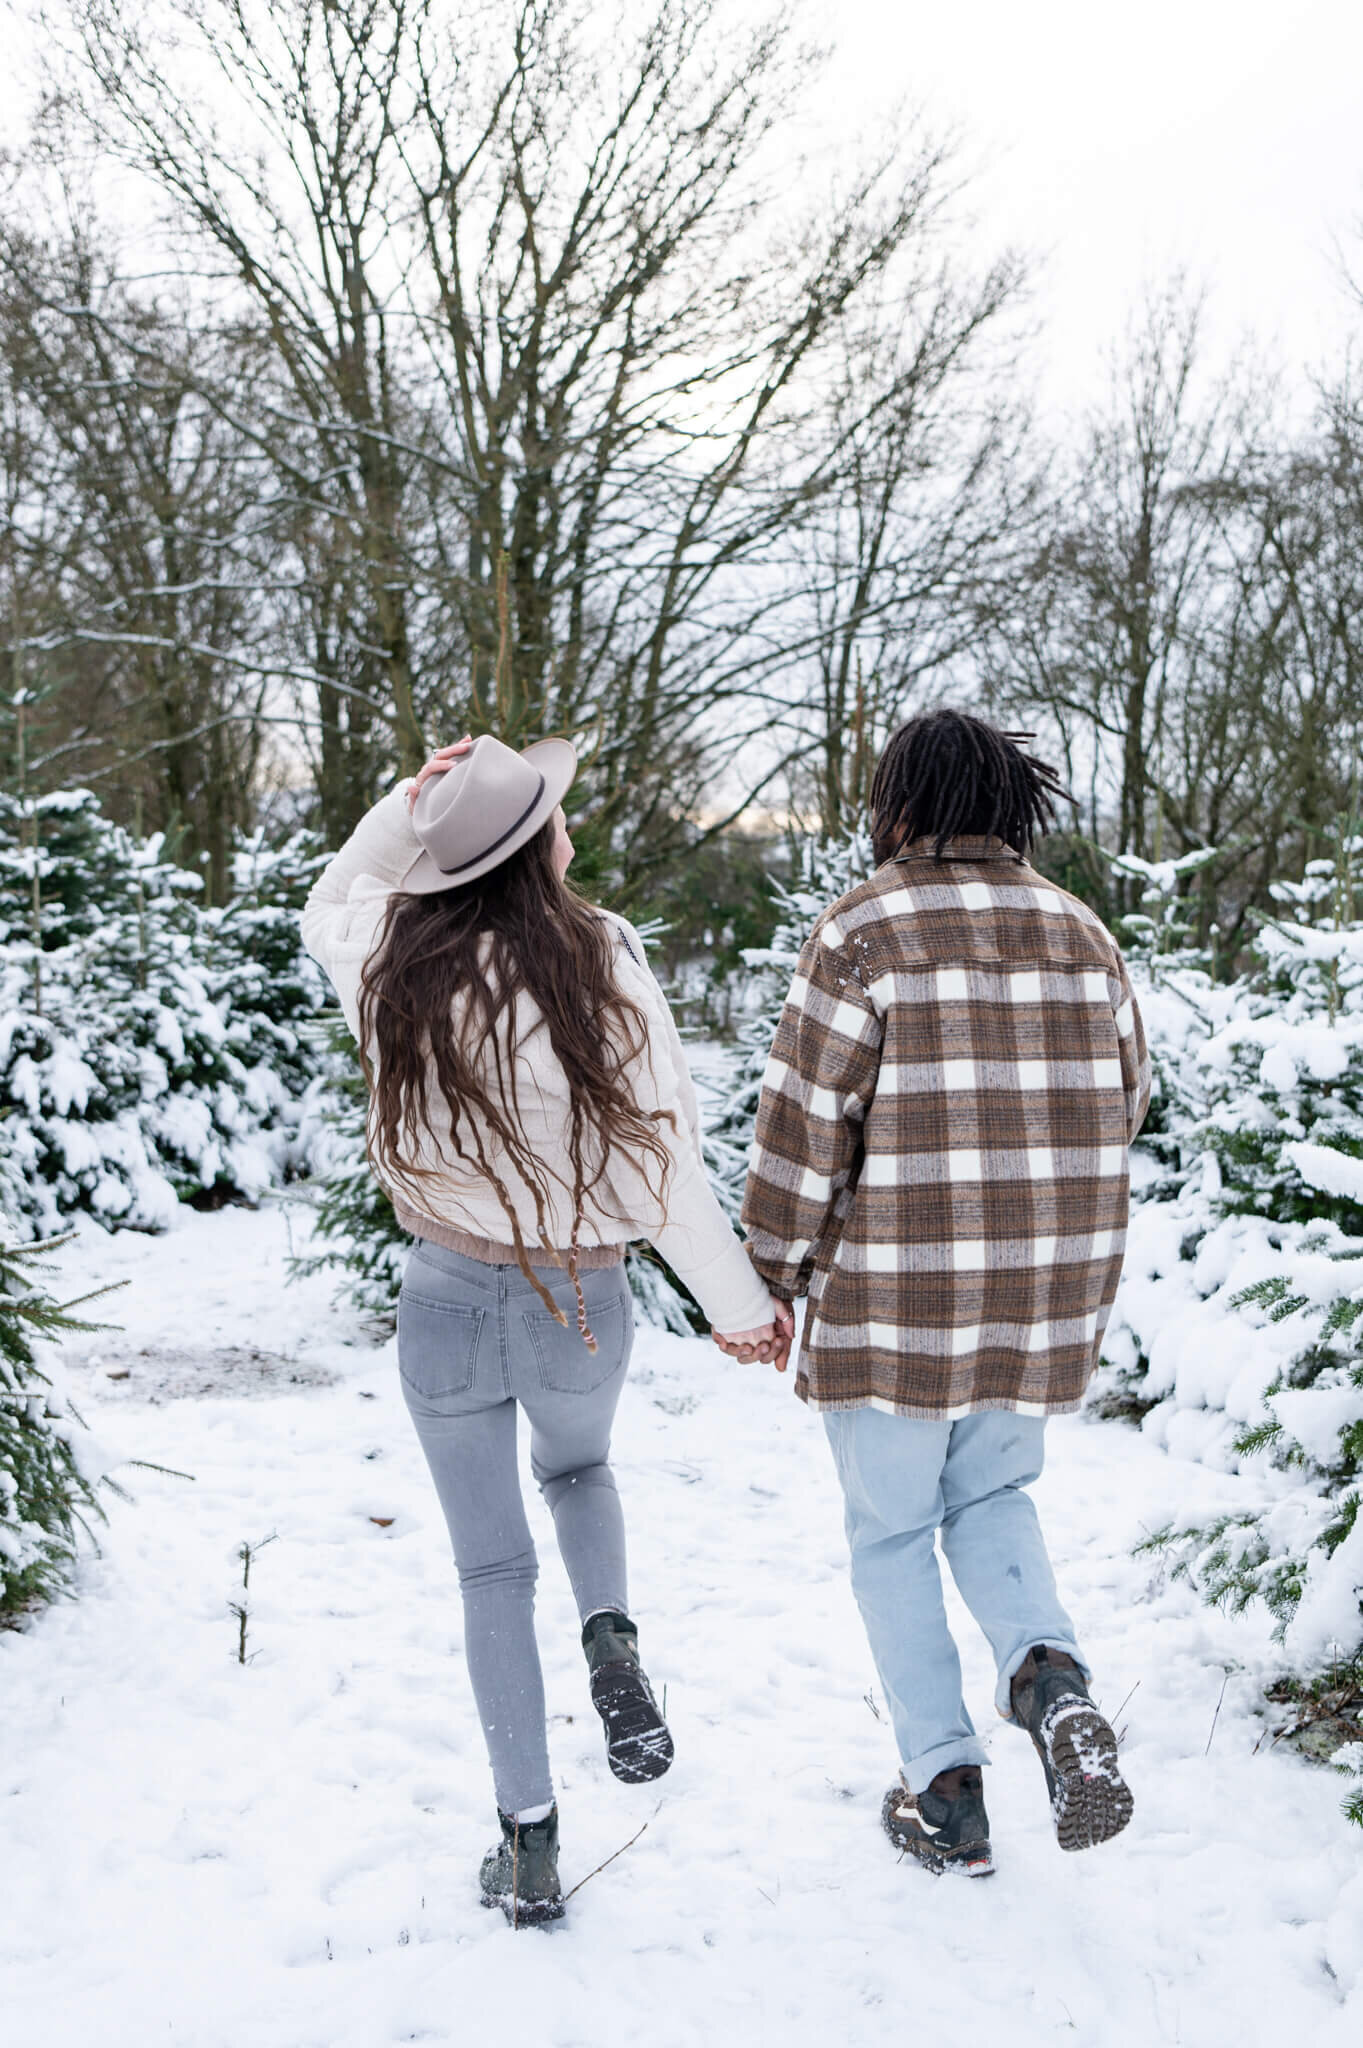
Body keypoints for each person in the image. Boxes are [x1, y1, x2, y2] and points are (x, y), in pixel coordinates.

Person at [302, 733, 788, 1926]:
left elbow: (332, 892)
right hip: (583, 1295)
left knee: (487, 1568)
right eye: (553, 819)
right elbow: (664, 1159)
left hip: (444, 1296)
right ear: (537, 849)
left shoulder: (386, 956)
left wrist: (416, 802)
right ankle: (612, 1643)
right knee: (580, 1467)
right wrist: (738, 1307)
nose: (570, 830)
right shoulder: (601, 953)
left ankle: (526, 1839)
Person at [731, 709, 1151, 1877]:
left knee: (892, 1533)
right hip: (1039, 1303)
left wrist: (770, 1275)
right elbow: (1127, 1102)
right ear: (1012, 805)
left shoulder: (863, 930)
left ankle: (947, 1792)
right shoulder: (1082, 933)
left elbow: (802, 1127)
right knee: (998, 1497)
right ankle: (1051, 1681)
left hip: (895, 1308)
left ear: (900, 806)